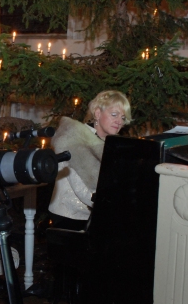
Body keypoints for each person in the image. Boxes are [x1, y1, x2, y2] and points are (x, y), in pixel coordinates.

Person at [48, 90, 132, 230]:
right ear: (97, 113)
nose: (119, 121)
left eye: (123, 117)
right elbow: (81, 190)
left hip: (96, 214)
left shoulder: (112, 145)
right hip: (68, 217)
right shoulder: (75, 138)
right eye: (114, 115)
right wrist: (116, 205)